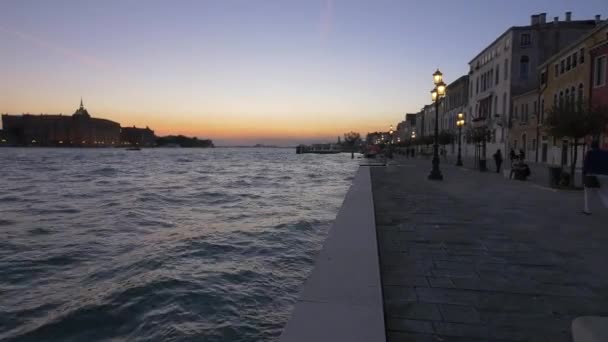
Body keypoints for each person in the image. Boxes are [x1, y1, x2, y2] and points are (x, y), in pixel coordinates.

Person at [582, 141, 608, 215]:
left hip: (592, 175)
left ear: (592, 146)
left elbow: (586, 164)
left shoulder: (590, 153)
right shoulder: (605, 153)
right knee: (603, 193)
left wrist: (584, 174)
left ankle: (587, 210)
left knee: (587, 193)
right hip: (605, 175)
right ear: (598, 146)